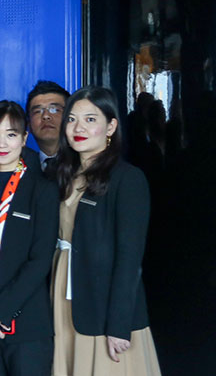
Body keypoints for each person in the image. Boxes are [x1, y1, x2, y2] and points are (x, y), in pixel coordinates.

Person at [51, 87, 162, 375]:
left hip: (103, 301)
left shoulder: (128, 179)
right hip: (63, 289)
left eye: (90, 119)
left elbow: (129, 259)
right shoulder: (61, 174)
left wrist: (119, 325)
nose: (78, 128)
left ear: (111, 126)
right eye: (72, 119)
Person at [0, 102, 58, 376]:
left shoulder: (42, 189)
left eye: (11, 134)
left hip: (28, 323)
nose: (1, 143)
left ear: (24, 138)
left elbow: (40, 261)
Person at [25, 81, 69, 172]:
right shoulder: (22, 169)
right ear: (28, 124)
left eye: (55, 110)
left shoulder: (86, 165)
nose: (45, 116)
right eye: (38, 111)